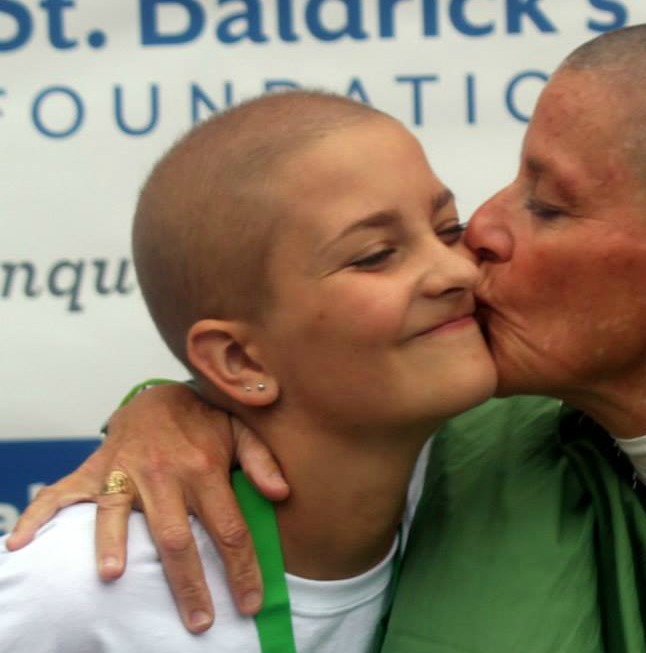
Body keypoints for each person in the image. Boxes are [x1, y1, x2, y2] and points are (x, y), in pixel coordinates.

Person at [10, 22, 646, 651]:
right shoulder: (475, 435)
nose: (481, 239)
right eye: (495, 192)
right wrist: (165, 407)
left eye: (546, 203)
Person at [0, 90, 498, 651]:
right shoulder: (78, 588)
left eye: (448, 227)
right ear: (239, 361)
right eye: (376, 255)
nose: (456, 271)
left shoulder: (517, 484)